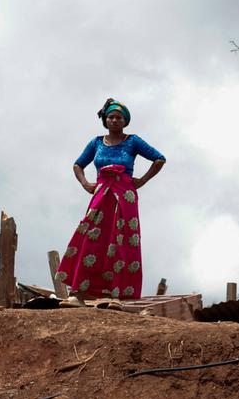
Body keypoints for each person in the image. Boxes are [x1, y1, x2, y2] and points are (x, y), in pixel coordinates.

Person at [56, 98, 166, 301]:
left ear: (125, 121)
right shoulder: (96, 142)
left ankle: (118, 296)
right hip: (101, 195)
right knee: (92, 238)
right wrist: (85, 184)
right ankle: (79, 293)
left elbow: (159, 158)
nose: (114, 120)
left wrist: (141, 180)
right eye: (111, 117)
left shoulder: (133, 141)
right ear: (105, 121)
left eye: (119, 117)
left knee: (121, 240)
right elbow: (78, 165)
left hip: (124, 196)